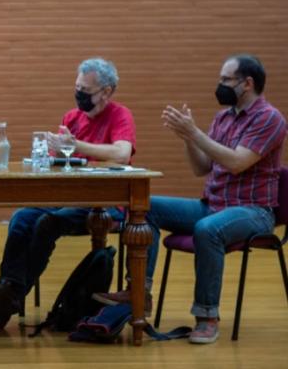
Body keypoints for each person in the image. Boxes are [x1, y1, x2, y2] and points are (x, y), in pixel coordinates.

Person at [96, 54, 285, 344]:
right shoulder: (223, 118)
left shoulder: (269, 119)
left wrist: (195, 132)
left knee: (207, 229)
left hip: (253, 211)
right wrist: (187, 137)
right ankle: (139, 293)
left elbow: (237, 162)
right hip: (212, 205)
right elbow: (202, 168)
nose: (219, 85)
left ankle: (207, 316)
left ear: (247, 83)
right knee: (144, 206)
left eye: (226, 80)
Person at [0, 57, 136, 328]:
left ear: (106, 92)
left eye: (86, 90)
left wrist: (76, 145)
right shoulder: (72, 118)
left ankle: (11, 296)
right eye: (77, 88)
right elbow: (56, 162)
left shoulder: (120, 115)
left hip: (104, 204)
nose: (79, 95)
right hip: (69, 198)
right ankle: (9, 287)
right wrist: (51, 154)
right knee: (23, 217)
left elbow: (122, 153)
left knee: (48, 223)